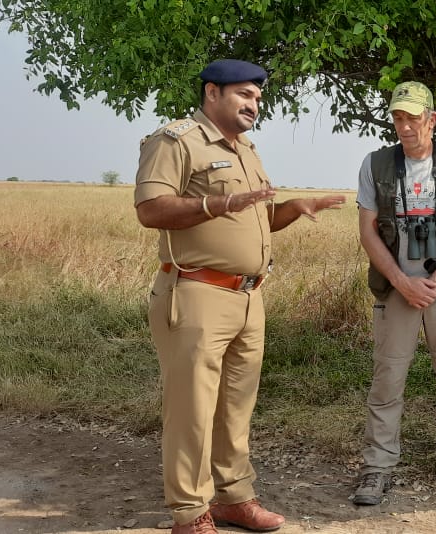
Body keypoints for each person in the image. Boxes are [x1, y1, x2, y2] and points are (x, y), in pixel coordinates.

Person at [134, 59, 346, 534]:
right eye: (245, 95)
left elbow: (256, 218)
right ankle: (190, 514)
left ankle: (233, 497)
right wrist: (218, 202)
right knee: (191, 409)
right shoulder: (176, 141)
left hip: (248, 298)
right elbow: (150, 209)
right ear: (213, 92)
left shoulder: (247, 150)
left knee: (235, 407)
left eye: (257, 97)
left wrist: (293, 207)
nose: (255, 105)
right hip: (196, 293)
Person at [352, 81, 436, 504]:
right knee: (387, 381)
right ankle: (376, 468)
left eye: (413, 117)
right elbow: (368, 231)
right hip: (397, 289)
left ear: (432, 120)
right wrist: (401, 282)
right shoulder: (376, 165)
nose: (405, 126)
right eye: (397, 117)